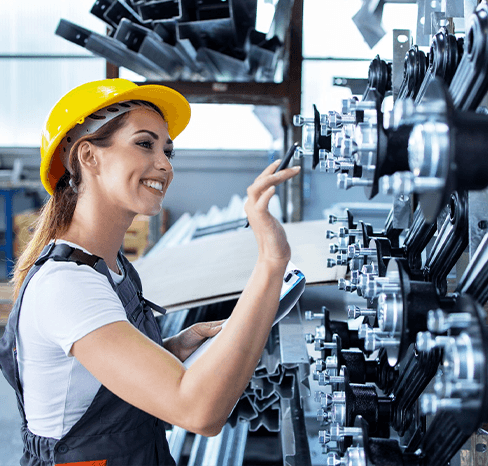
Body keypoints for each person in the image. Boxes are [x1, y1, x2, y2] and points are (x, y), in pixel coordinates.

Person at [0, 78, 301, 466]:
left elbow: (91, 383)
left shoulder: (114, 268)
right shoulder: (68, 285)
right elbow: (198, 411)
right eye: (145, 144)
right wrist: (271, 262)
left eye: (168, 150)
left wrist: (170, 350)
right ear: (89, 156)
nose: (165, 164)